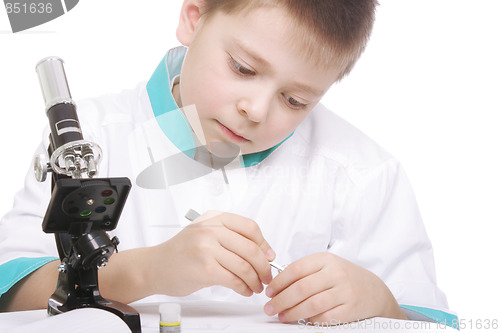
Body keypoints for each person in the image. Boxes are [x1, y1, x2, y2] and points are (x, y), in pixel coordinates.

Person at [0, 0, 456, 327]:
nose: (256, 110)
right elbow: (10, 292)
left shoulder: (363, 173)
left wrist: (381, 305)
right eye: (242, 67)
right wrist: (147, 271)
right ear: (193, 18)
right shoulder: (90, 137)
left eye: (295, 100)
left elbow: (428, 319)